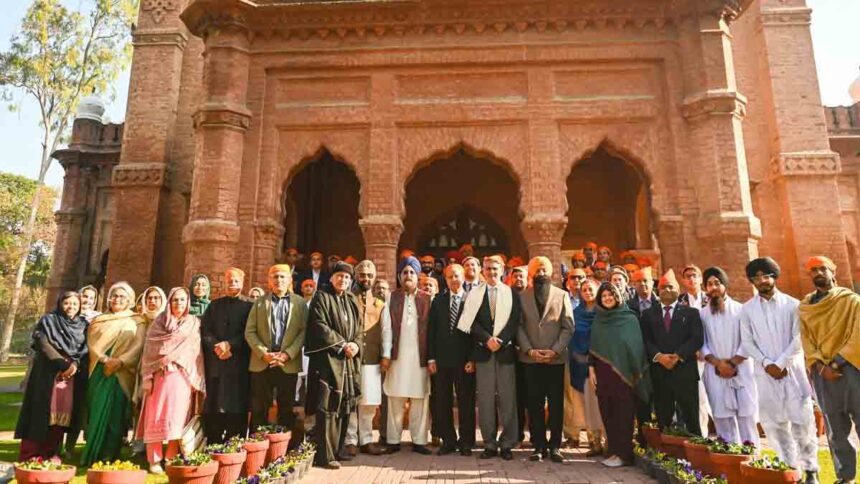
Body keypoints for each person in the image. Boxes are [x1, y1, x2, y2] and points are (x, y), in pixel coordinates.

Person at [740, 257, 819, 484]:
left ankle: (811, 470)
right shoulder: (747, 310)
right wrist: (767, 364)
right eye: (756, 277)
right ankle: (789, 468)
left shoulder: (793, 304)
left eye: (766, 275)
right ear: (752, 281)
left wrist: (781, 363)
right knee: (775, 425)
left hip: (791, 372)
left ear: (774, 276)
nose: (762, 281)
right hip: (765, 375)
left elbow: (798, 337)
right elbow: (747, 342)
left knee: (803, 422)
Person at [799, 256, 859, 484]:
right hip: (823, 375)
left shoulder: (851, 301)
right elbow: (806, 340)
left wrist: (834, 363)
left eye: (822, 268)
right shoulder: (806, 307)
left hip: (852, 370)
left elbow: (857, 336)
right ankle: (846, 477)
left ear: (833, 272)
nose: (817, 273)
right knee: (835, 430)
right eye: (813, 270)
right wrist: (820, 367)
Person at [458, 255, 521, 461]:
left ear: (502, 270)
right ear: (482, 271)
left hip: (505, 352)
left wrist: (500, 339)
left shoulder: (511, 293)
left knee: (507, 399)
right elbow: (471, 322)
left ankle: (507, 443)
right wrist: (487, 339)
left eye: (495, 269)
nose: (491, 272)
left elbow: (514, 321)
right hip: (483, 352)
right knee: (484, 400)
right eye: (488, 269)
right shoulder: (474, 294)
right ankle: (489, 444)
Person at [137, 287, 205, 474]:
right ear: (169, 302)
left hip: (183, 379)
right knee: (156, 417)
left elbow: (196, 353)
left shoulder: (193, 323)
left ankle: (171, 458)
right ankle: (154, 460)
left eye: (182, 300)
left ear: (187, 302)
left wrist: (194, 379)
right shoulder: (159, 323)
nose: (179, 304)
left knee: (177, 419)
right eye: (175, 300)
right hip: (160, 377)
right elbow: (149, 353)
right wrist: (147, 377)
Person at [16, 291, 88, 462]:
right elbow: (43, 343)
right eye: (67, 303)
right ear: (60, 304)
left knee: (61, 415)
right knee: (40, 413)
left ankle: (50, 452)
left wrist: (75, 365)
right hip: (47, 375)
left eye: (75, 304)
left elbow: (85, 349)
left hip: (69, 378)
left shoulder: (82, 324)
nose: (71, 307)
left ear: (79, 307)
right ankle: (32, 454)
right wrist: (63, 365)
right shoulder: (48, 321)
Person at [80, 282, 146, 465]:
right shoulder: (99, 320)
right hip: (99, 371)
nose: (117, 299)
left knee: (116, 416)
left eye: (122, 296)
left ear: (130, 300)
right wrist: (104, 360)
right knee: (96, 412)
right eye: (114, 295)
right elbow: (91, 344)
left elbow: (138, 345)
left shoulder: (137, 320)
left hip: (122, 374)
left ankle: (110, 453)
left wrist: (120, 361)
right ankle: (92, 452)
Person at [305, 261, 363, 469]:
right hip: (328, 361)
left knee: (345, 407)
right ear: (331, 278)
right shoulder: (321, 297)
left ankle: (338, 450)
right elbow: (319, 325)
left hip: (348, 362)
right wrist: (342, 345)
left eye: (347, 277)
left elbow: (359, 328)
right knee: (327, 408)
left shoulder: (352, 299)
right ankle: (325, 455)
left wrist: (355, 344)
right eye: (339, 276)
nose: (343, 280)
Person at [517, 256, 574, 463]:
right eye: (537, 270)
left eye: (543, 270)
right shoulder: (522, 297)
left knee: (556, 404)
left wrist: (555, 350)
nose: (540, 273)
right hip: (531, 360)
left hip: (555, 360)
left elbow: (568, 327)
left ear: (549, 273)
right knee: (535, 404)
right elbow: (519, 326)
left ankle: (555, 446)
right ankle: (538, 446)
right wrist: (529, 350)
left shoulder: (562, 295)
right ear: (531, 273)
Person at [589, 283, 650, 468]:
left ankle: (624, 454)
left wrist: (634, 372)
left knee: (623, 414)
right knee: (607, 412)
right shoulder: (599, 320)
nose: (607, 298)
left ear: (617, 296)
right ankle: (613, 451)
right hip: (602, 374)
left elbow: (635, 347)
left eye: (611, 295)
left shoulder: (629, 318)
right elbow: (593, 347)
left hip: (624, 376)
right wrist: (591, 368)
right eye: (604, 296)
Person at [699, 267, 758, 445]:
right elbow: (701, 343)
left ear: (724, 285)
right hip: (714, 370)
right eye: (709, 284)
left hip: (740, 369)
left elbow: (748, 340)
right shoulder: (702, 314)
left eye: (717, 283)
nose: (714, 287)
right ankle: (729, 455)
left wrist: (732, 363)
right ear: (705, 288)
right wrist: (718, 364)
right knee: (721, 416)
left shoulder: (742, 310)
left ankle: (751, 456)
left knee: (746, 415)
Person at [641, 269, 704, 434]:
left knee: (691, 418)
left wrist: (678, 356)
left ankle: (695, 452)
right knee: (664, 418)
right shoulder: (648, 314)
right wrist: (659, 357)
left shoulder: (691, 313)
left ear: (678, 289)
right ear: (657, 291)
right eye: (663, 288)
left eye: (670, 287)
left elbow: (696, 339)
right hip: (660, 373)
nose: (667, 291)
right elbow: (645, 340)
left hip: (685, 372)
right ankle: (666, 456)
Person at [245, 264, 308, 430]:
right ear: (269, 281)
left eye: (282, 277)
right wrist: (263, 353)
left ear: (289, 280)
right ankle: (258, 447)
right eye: (275, 277)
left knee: (286, 408)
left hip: (287, 363)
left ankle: (283, 448)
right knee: (259, 407)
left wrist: (287, 354)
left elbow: (303, 332)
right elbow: (250, 331)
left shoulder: (300, 304)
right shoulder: (259, 303)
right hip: (262, 362)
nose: (278, 280)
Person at [381, 256, 433, 455]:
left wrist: (431, 358)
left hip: (420, 357)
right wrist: (386, 354)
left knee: (420, 398)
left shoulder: (427, 299)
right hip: (397, 357)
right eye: (405, 272)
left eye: (412, 272)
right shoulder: (391, 298)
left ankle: (419, 441)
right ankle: (393, 440)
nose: (408, 275)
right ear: (399, 276)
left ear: (418, 275)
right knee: (395, 397)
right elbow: (386, 328)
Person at [427, 263, 477, 456]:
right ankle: (448, 440)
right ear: (445, 280)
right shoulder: (438, 301)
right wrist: (431, 358)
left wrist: (473, 358)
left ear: (463, 277)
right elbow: (431, 332)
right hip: (441, 361)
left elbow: (475, 333)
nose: (453, 280)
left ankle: (466, 442)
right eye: (449, 277)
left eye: (456, 276)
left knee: (466, 401)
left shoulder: (471, 300)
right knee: (442, 401)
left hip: (465, 361)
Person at [201, 267, 253, 443]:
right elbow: (205, 330)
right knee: (214, 404)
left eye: (236, 280)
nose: (232, 283)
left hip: (238, 363)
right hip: (217, 362)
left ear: (242, 282)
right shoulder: (214, 305)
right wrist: (216, 346)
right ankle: (213, 443)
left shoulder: (250, 306)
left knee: (237, 404)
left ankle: (234, 443)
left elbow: (250, 331)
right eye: (229, 280)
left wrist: (230, 344)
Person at [343, 260, 388, 456]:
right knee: (352, 401)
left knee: (369, 403)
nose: (366, 278)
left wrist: (385, 356)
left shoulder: (379, 304)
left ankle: (367, 439)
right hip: (350, 359)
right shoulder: (347, 299)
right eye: (362, 275)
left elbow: (386, 332)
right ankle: (351, 440)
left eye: (370, 275)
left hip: (371, 359)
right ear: (356, 276)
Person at [570, 278, 606, 457]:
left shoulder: (604, 313)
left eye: (591, 289)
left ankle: (608, 442)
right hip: (582, 363)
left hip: (603, 363)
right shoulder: (576, 313)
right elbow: (572, 337)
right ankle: (594, 442)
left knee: (605, 403)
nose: (587, 292)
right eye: (584, 290)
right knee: (590, 404)